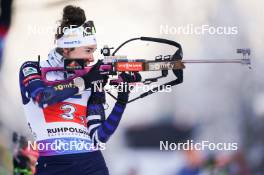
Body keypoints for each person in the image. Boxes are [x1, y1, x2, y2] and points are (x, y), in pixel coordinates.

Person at [19, 5, 140, 175]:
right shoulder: (33, 68)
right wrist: (86, 80)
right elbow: (43, 97)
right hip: (54, 165)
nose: (92, 57)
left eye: (94, 51)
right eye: (88, 51)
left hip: (92, 163)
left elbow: (99, 137)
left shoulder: (91, 77)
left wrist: (122, 97)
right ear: (67, 49)